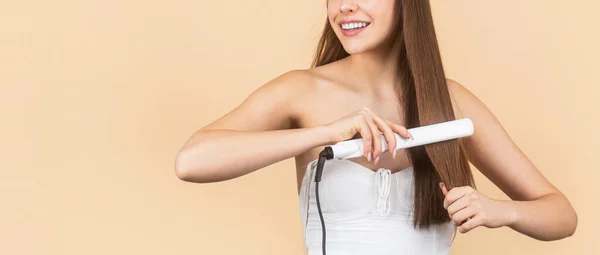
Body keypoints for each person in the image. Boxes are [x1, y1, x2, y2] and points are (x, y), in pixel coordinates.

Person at [174, 0, 577, 254]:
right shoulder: (302, 91)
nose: (345, 7)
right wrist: (327, 133)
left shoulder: (447, 102)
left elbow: (561, 216)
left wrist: (498, 211)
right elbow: (192, 161)